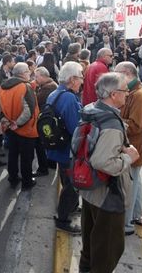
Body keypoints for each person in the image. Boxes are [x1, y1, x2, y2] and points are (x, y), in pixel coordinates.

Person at [78, 72, 139, 273]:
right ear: (113, 94)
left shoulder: (92, 110)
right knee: (107, 251)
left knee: (89, 246)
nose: (128, 93)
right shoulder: (111, 122)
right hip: (107, 194)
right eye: (124, 90)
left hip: (89, 189)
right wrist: (129, 157)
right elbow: (102, 161)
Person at [114, 62, 142, 236]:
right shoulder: (132, 92)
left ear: (127, 73)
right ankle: (136, 216)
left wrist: (113, 121)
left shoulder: (141, 96)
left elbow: (136, 125)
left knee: (129, 186)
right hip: (133, 147)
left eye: (117, 74)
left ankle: (126, 225)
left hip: (135, 148)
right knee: (134, 183)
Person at [45, 62, 84, 234]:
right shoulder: (68, 97)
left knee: (66, 179)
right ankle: (62, 219)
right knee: (72, 185)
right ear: (72, 79)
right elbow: (75, 127)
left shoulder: (55, 93)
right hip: (68, 149)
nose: (82, 81)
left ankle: (72, 206)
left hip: (58, 148)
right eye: (80, 78)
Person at [0, 62, 40, 190]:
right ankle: (27, 183)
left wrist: (5, 120)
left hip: (10, 128)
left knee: (13, 154)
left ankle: (13, 178)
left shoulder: (1, 87)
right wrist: (18, 123)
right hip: (25, 130)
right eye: (28, 71)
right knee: (26, 158)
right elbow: (29, 110)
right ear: (22, 74)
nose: (30, 73)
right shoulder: (25, 87)